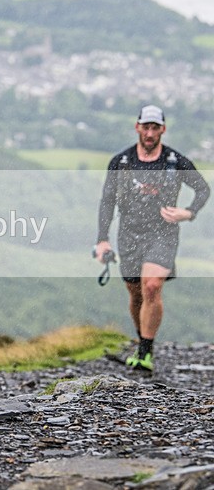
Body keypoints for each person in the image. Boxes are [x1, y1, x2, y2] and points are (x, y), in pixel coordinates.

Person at [95, 105, 209, 373]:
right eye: (145, 127)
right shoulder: (121, 162)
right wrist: (102, 239)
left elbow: (202, 188)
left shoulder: (175, 161)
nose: (149, 132)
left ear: (162, 130)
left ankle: (145, 350)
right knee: (135, 292)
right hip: (129, 232)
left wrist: (189, 212)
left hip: (163, 232)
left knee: (152, 286)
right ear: (137, 127)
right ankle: (142, 340)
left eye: (154, 128)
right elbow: (107, 201)